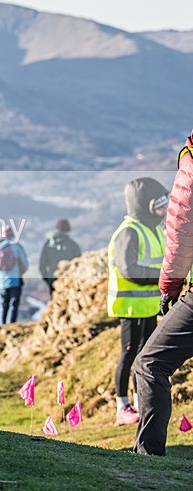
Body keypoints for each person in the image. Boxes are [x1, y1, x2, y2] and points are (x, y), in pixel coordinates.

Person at [134, 136, 193, 455]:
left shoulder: (191, 166)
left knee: (149, 364)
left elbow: (182, 235)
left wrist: (170, 288)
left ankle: (148, 454)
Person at [107, 177, 168, 426]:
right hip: (131, 307)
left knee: (145, 357)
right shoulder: (129, 231)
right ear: (144, 205)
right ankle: (122, 406)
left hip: (149, 306)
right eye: (158, 204)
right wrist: (162, 277)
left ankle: (140, 402)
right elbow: (129, 269)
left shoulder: (154, 230)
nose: (163, 210)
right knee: (129, 355)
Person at [0, 224, 28, 326]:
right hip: (15, 281)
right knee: (13, 305)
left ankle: (1, 327)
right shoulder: (16, 247)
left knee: (2, 306)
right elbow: (25, 265)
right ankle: (10, 327)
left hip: (0, 283)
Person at [38, 219, 81, 296]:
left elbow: (42, 265)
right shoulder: (73, 245)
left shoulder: (47, 245)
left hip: (52, 278)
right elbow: (79, 264)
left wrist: (47, 279)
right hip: (68, 280)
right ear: (68, 229)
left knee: (55, 304)